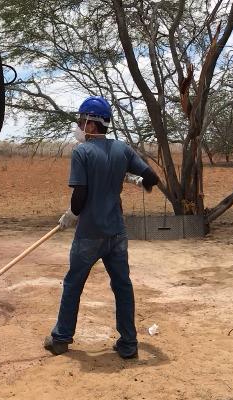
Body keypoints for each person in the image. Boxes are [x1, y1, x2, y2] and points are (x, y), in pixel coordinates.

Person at [44, 96, 159, 359]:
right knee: (122, 285)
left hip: (89, 233)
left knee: (73, 283)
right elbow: (152, 178)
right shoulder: (122, 149)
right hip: (117, 233)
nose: (79, 126)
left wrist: (70, 215)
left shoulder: (82, 152)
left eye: (82, 121)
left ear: (92, 125)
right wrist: (133, 178)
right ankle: (129, 344)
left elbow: (80, 196)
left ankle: (61, 339)